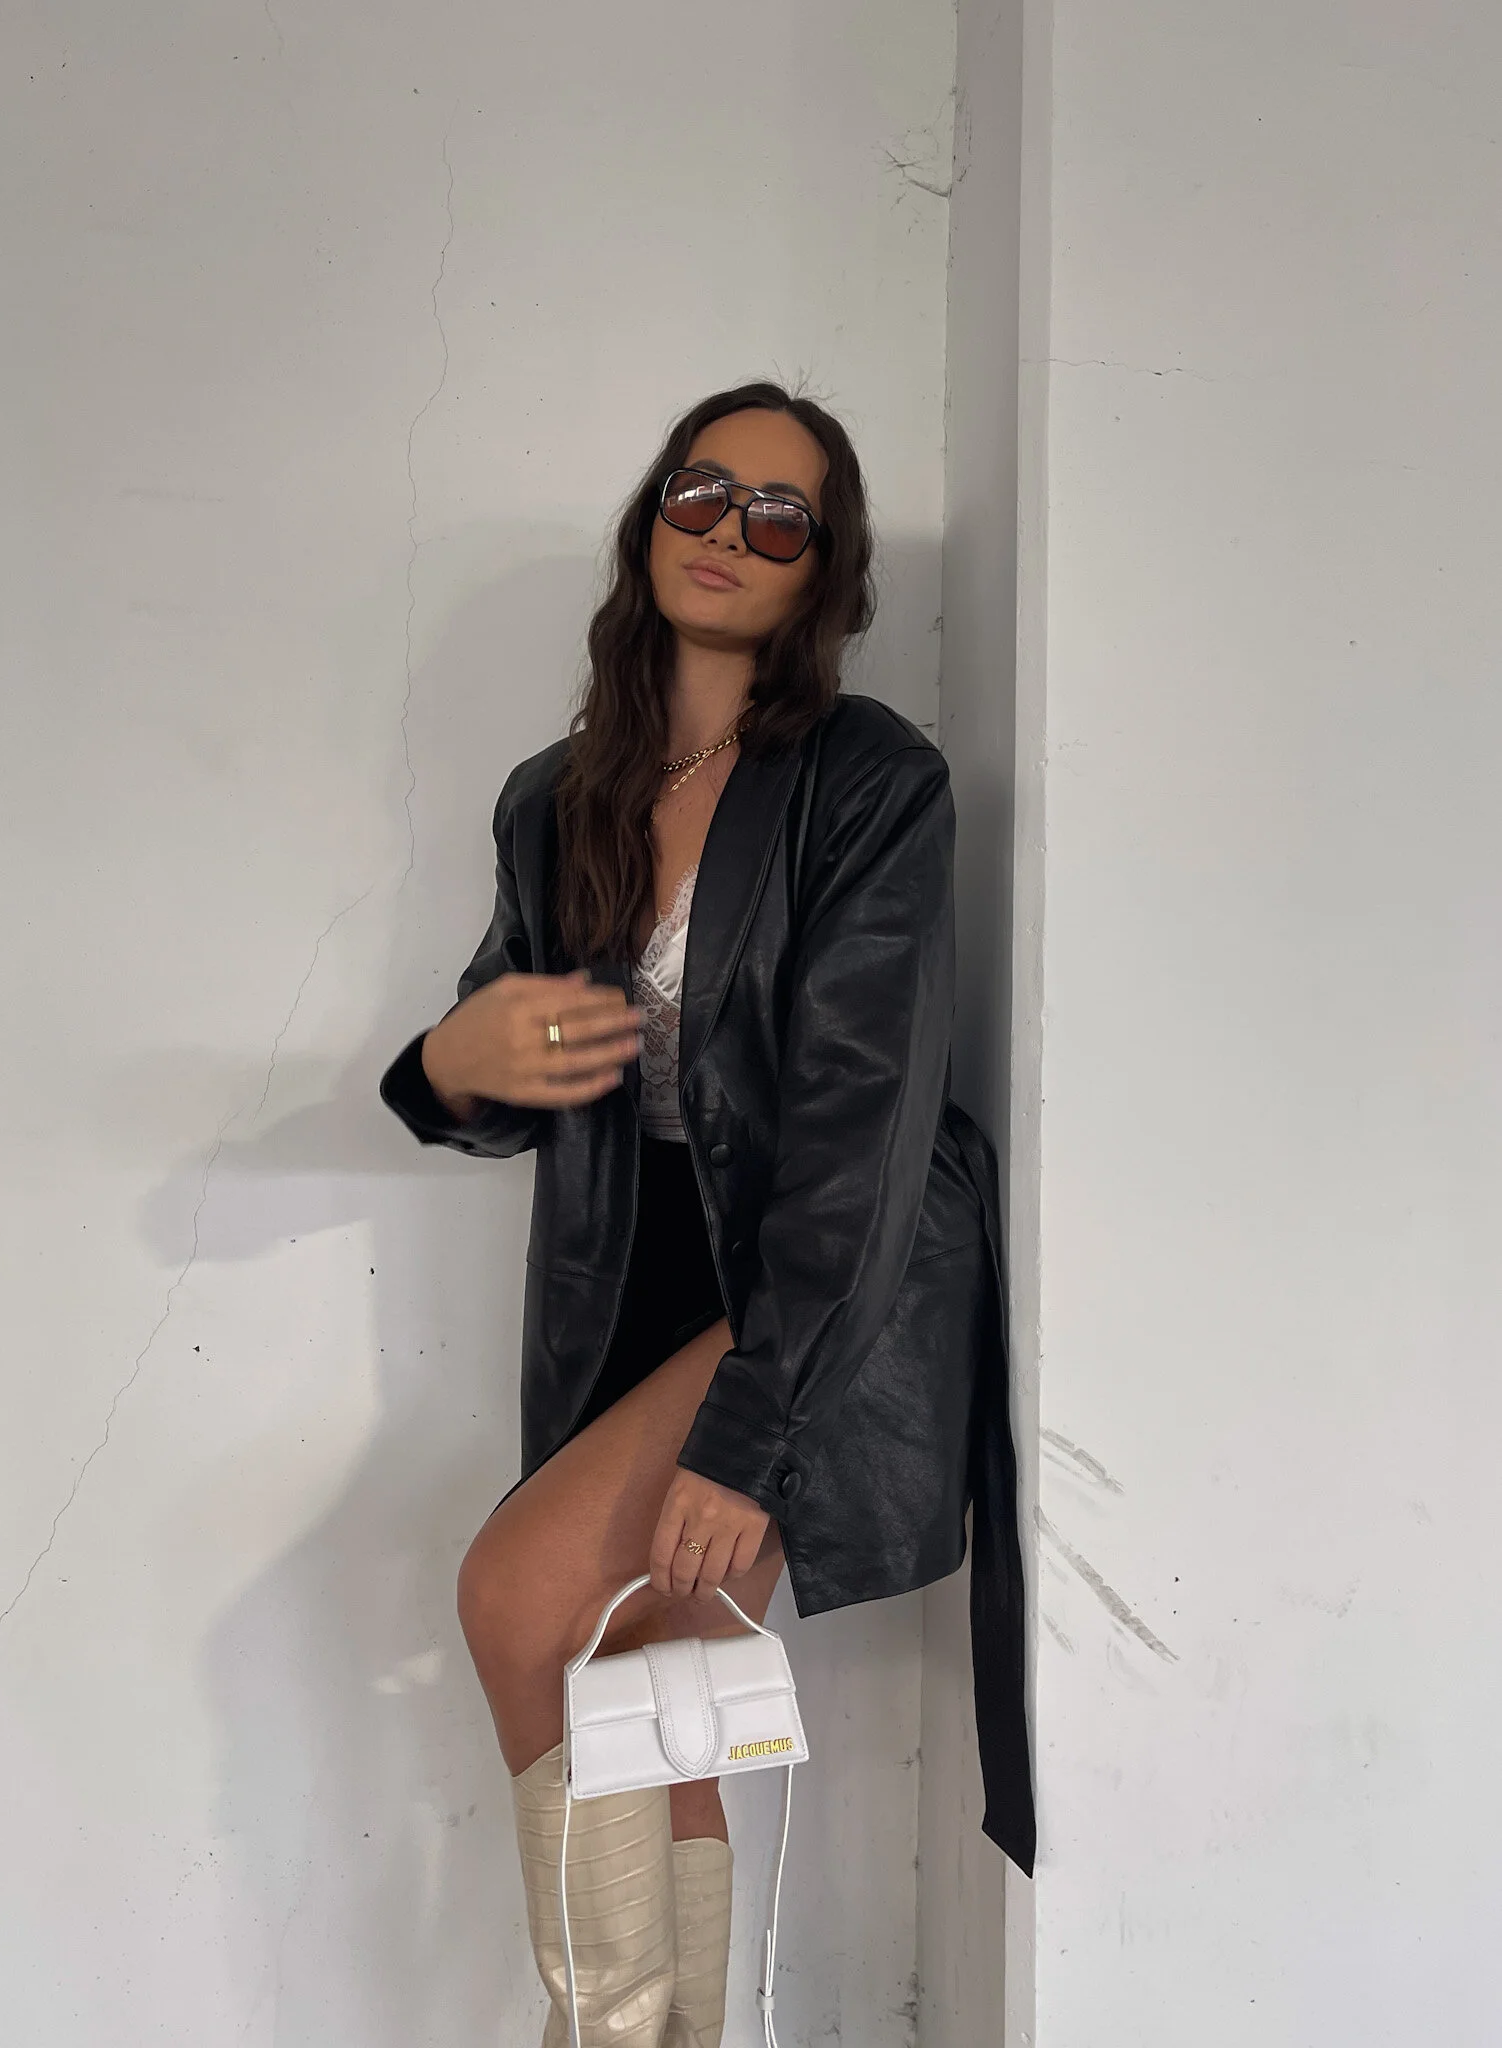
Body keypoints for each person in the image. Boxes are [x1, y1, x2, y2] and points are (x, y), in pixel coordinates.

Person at [379, 380, 1034, 2047]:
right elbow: (507, 1060)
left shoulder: (867, 781)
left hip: (833, 1273)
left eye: (779, 514)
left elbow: (862, 1125)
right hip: (631, 1275)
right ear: (650, 518)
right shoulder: (555, 795)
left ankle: (597, 2031)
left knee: (519, 1596)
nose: (730, 531)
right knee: (642, 1678)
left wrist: (750, 1432)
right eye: (701, 491)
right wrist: (449, 1063)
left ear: (825, 569)